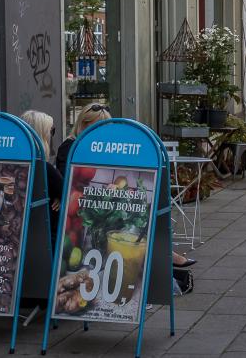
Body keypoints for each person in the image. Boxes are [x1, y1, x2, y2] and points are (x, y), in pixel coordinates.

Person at [57, 103, 196, 268]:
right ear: (82, 125)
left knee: (140, 217)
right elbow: (69, 182)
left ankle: (162, 256)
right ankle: (164, 256)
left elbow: (120, 175)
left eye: (103, 128)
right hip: (80, 208)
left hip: (98, 205)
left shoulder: (105, 148)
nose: (99, 133)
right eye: (93, 127)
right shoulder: (71, 147)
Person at [19, 109, 63, 247]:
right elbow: (68, 195)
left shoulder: (14, 166)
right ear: (41, 135)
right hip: (44, 240)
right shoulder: (45, 169)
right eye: (51, 131)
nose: (52, 136)